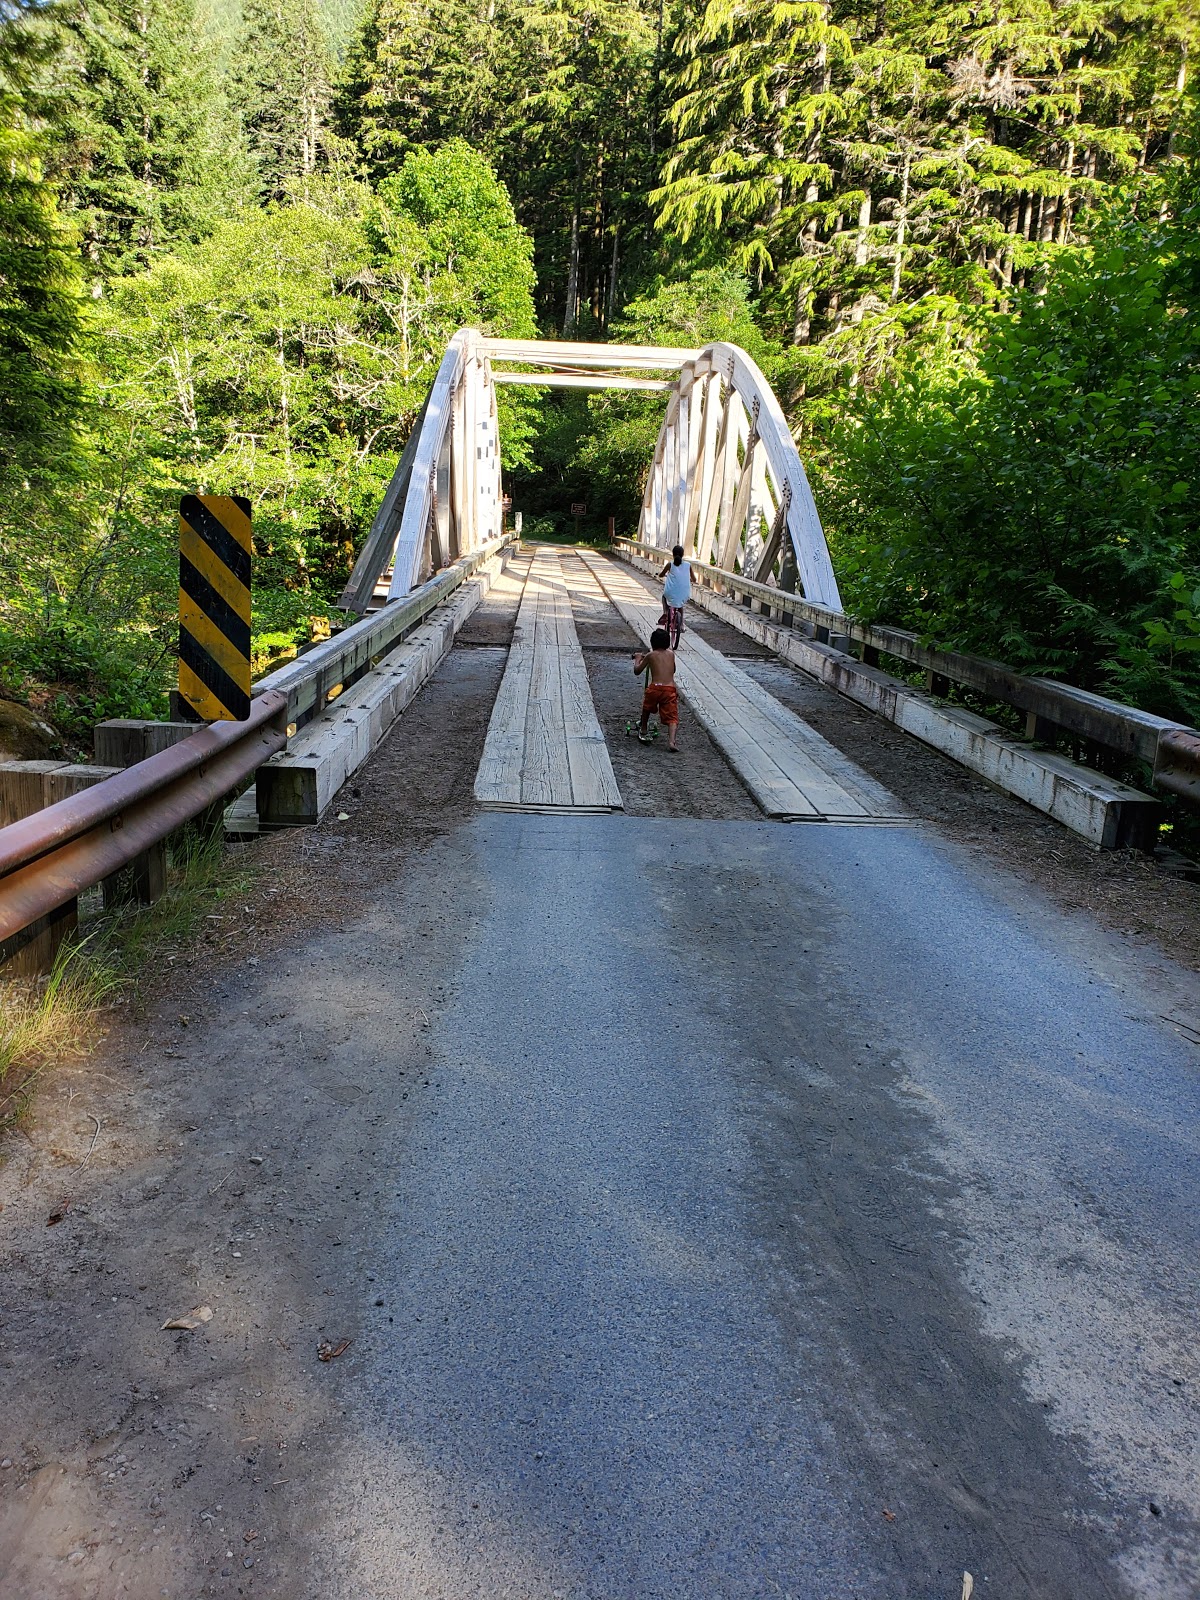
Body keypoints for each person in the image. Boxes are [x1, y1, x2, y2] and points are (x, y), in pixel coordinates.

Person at [632, 627, 680, 752]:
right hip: (669, 689)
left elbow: (637, 671)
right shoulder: (671, 654)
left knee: (647, 708)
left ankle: (643, 728)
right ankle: (672, 741)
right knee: (672, 716)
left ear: (653, 643)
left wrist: (638, 658)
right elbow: (673, 670)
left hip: (655, 688)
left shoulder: (650, 655)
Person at [657, 544, 691, 648]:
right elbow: (694, 579)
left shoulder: (670, 565)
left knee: (664, 597)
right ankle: (681, 624)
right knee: (680, 604)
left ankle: (665, 613)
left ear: (672, 554)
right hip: (684, 594)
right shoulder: (688, 565)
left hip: (670, 593)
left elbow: (661, 574)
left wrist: (660, 574)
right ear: (683, 555)